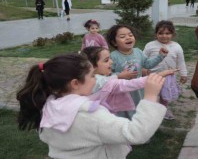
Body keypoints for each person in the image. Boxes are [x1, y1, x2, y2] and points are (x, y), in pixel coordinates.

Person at [16, 53, 167, 159]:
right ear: (75, 83)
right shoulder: (89, 115)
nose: (96, 80)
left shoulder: (46, 106)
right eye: (92, 76)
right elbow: (136, 133)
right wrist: (150, 97)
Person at [81, 46, 177, 117]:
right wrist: (161, 74)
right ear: (92, 66)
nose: (111, 62)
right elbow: (134, 83)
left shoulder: (82, 81)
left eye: (109, 58)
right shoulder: (106, 82)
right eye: (106, 60)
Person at [106, 24, 168, 119]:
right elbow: (107, 75)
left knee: (139, 108)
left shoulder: (138, 52)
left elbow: (147, 64)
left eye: (130, 35)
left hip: (138, 90)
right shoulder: (113, 56)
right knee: (125, 112)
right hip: (123, 92)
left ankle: (139, 124)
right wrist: (119, 75)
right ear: (114, 42)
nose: (128, 38)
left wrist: (160, 56)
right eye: (122, 36)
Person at [143, 20, 188, 120]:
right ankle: (151, 110)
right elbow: (143, 58)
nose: (164, 36)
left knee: (165, 95)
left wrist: (184, 74)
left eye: (167, 33)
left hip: (169, 76)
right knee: (153, 94)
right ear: (156, 34)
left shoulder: (177, 47)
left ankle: (163, 110)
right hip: (153, 75)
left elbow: (181, 62)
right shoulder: (150, 45)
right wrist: (144, 68)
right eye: (161, 33)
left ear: (173, 34)